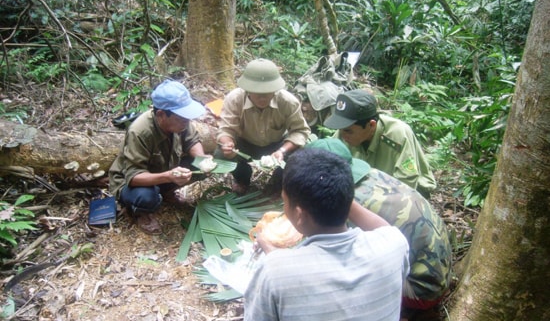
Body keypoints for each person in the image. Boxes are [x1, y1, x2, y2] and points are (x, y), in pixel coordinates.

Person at [244, 147, 409, 321]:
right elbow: (385, 229)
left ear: (299, 214)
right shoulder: (393, 244)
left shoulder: (273, 271)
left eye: (284, 201)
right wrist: (338, 196)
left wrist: (273, 258)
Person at [307, 138, 452, 321]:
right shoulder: (374, 175)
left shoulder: (347, 202)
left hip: (424, 288)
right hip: (441, 266)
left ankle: (392, 318)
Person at [109, 79, 207, 235]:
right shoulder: (140, 131)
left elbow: (192, 141)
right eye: (181, 118)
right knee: (147, 197)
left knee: (199, 165)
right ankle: (141, 212)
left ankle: (166, 193)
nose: (186, 122)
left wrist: (203, 160)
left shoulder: (181, 121)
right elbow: (133, 176)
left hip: (165, 171)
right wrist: (169, 177)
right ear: (161, 114)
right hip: (132, 182)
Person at [216, 58, 310, 194]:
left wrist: (282, 151)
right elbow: (226, 129)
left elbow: (300, 131)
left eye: (267, 94)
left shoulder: (288, 102)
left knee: (300, 155)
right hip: (244, 145)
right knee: (220, 153)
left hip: (276, 145)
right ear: (247, 90)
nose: (262, 99)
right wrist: (228, 144)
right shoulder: (235, 99)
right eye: (258, 94)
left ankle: (278, 184)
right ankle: (242, 179)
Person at [324, 89, 436, 198]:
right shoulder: (343, 133)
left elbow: (407, 182)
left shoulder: (397, 134)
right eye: (340, 128)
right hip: (367, 189)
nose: (342, 135)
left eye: (348, 131)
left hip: (408, 192)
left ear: (371, 125)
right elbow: (325, 162)